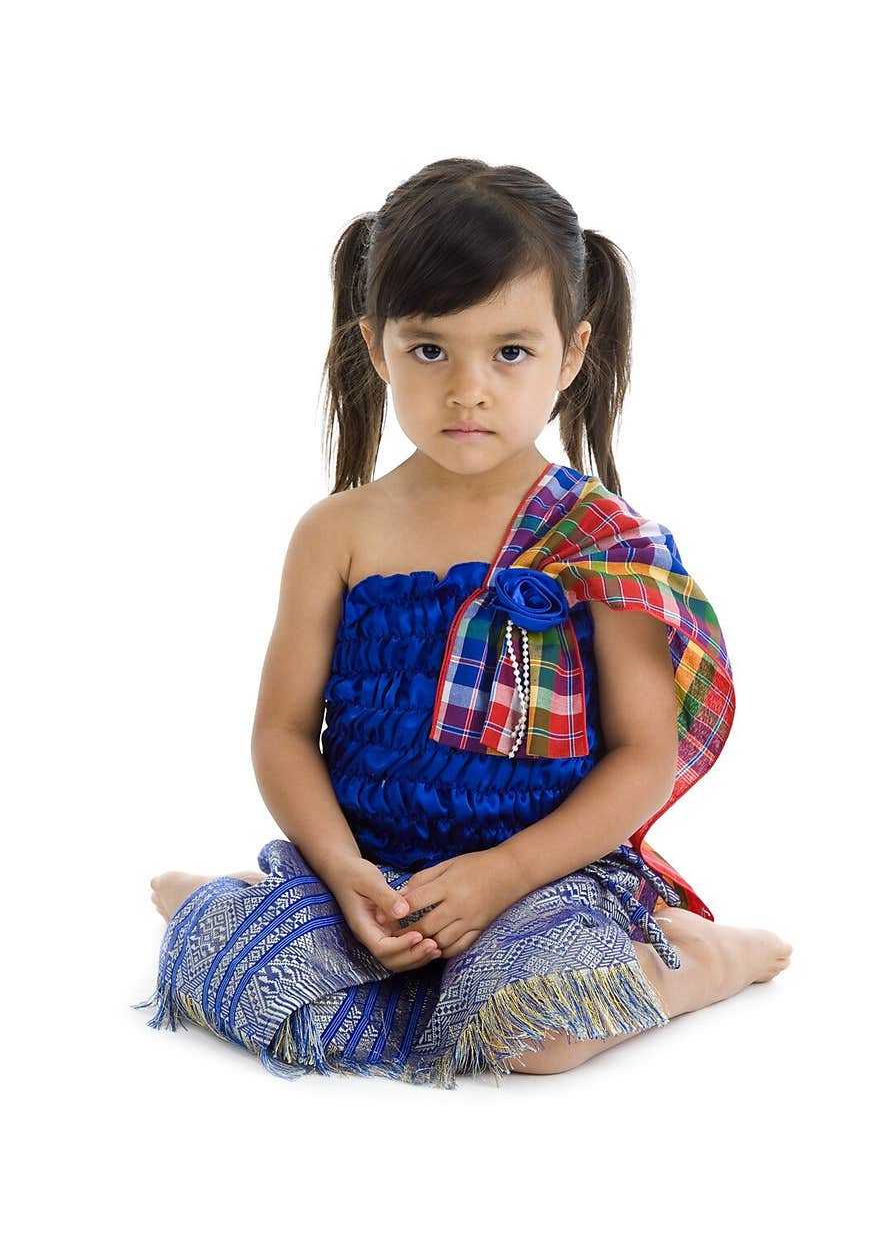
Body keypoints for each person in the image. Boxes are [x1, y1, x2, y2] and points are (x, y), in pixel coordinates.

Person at [137, 157, 791, 1089]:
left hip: (545, 878)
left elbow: (644, 757)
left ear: (573, 354)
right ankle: (234, 906)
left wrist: (504, 874)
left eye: (510, 351)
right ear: (375, 346)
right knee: (244, 977)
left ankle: (705, 953)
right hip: (377, 878)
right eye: (430, 349)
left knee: (536, 1037)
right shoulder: (336, 533)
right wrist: (343, 869)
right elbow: (283, 733)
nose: (468, 388)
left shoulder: (600, 540)